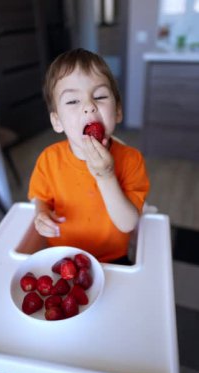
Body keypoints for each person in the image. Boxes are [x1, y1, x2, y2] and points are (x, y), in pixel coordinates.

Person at [28, 48, 150, 264]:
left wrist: (106, 175)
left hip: (113, 258)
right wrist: (41, 214)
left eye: (100, 96)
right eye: (73, 101)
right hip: (62, 255)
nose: (88, 107)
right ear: (57, 121)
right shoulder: (49, 160)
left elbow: (128, 223)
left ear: (118, 111)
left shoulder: (132, 160)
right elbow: (40, 197)